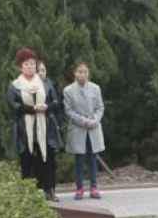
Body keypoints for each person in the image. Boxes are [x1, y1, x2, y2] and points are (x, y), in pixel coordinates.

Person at [6, 48, 61, 201]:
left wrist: (46, 107)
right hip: (25, 130)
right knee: (28, 160)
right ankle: (29, 193)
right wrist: (31, 109)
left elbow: (56, 102)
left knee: (48, 159)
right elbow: (13, 105)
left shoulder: (46, 83)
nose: (30, 67)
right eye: (26, 64)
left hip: (46, 127)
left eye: (32, 64)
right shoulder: (15, 85)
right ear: (20, 67)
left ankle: (50, 190)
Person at [64, 61, 105, 200]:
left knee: (93, 158)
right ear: (75, 73)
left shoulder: (95, 88)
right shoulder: (68, 90)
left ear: (88, 73)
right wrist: (83, 121)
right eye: (79, 72)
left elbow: (100, 107)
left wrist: (95, 120)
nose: (82, 74)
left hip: (93, 128)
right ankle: (79, 188)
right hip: (78, 128)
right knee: (79, 159)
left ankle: (94, 187)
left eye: (85, 72)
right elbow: (69, 110)